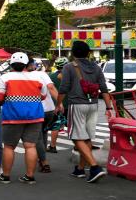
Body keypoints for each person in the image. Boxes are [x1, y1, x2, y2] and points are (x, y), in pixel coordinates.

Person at [55, 41, 112, 183]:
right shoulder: (97, 67)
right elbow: (104, 89)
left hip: (77, 104)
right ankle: (80, 169)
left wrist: (58, 103)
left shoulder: (69, 67)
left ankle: (94, 167)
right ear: (88, 53)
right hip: (93, 105)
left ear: (73, 53)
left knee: (76, 137)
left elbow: (63, 88)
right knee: (86, 138)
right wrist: (108, 107)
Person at [0, 52, 47, 184]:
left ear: (11, 64)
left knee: (9, 147)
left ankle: (5, 176)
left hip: (12, 117)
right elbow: (43, 96)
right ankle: (29, 176)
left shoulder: (5, 78)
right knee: (30, 146)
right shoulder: (38, 78)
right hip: (35, 116)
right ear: (27, 64)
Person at [26, 59, 61, 173]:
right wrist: (59, 103)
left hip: (36, 111)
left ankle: (44, 162)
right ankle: (41, 159)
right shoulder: (42, 74)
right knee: (44, 133)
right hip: (49, 110)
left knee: (38, 137)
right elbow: (51, 88)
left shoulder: (23, 76)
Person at [47, 57, 69, 153]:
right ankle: (79, 145)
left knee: (56, 126)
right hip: (70, 104)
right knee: (75, 126)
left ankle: (53, 146)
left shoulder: (51, 76)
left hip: (57, 105)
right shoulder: (71, 75)